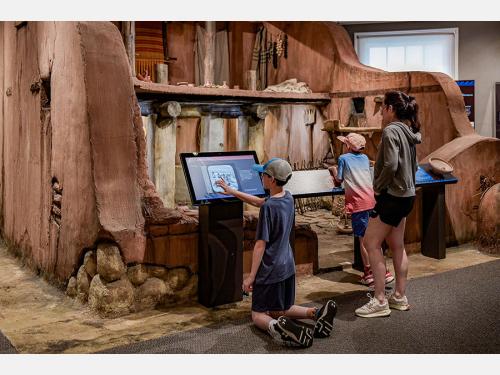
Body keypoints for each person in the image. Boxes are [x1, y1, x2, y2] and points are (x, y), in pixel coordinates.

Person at [216, 158, 337, 348]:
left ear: (271, 179)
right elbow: (260, 202)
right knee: (280, 308)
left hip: (270, 268)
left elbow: (260, 245)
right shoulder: (288, 197)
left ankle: (278, 328)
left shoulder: (268, 208)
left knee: (258, 314)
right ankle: (315, 313)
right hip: (287, 266)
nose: (261, 176)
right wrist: (232, 191)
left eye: (263, 174)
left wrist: (251, 278)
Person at [355, 91, 422, 318]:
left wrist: (378, 187)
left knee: (370, 242)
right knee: (397, 245)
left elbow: (391, 164)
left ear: (391, 108)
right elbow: (413, 166)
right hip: (406, 197)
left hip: (391, 197)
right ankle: (400, 296)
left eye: (383, 107)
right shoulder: (409, 132)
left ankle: (380, 299)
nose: (381, 112)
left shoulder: (391, 130)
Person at [329, 133, 394, 287]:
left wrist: (332, 170)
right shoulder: (365, 159)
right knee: (374, 239)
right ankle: (383, 270)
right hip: (371, 201)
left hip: (358, 204)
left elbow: (339, 180)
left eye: (344, 143)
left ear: (347, 146)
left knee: (363, 241)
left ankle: (370, 273)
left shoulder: (343, 159)